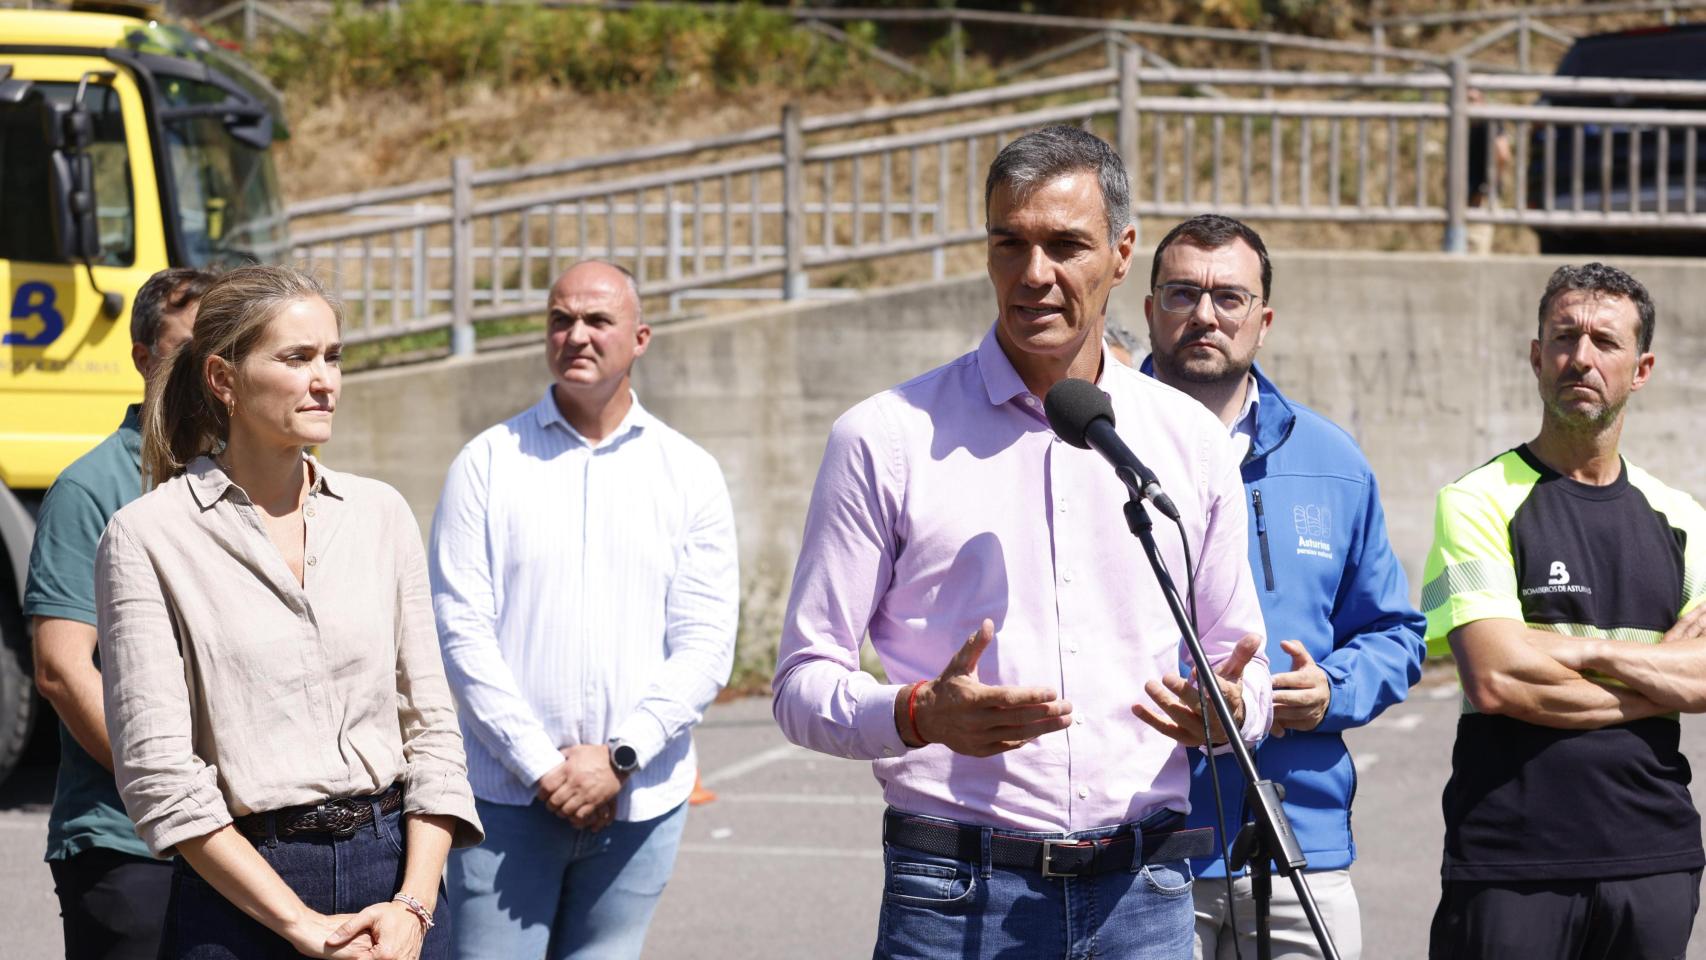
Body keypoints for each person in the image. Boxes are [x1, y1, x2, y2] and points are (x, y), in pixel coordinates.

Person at [772, 125, 1272, 960]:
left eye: (1065, 246)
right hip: (954, 894)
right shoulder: (886, 437)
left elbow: (1241, 665)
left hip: (1145, 893)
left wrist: (1228, 712)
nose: (1033, 273)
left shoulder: (1188, 441)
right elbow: (799, 683)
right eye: (1010, 243)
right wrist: (917, 714)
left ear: (1122, 254)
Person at [95, 265, 483, 960]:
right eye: (297, 358)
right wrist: (304, 926)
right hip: (242, 894)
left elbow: (431, 729)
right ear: (223, 379)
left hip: (397, 877)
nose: (324, 380)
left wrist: (414, 906)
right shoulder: (147, 535)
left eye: (332, 356)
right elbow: (161, 776)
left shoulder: (380, 513)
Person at [430, 260, 739, 959]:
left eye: (598, 320)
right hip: (507, 801)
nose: (576, 335)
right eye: (560, 319)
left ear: (640, 338)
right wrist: (543, 766)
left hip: (641, 802)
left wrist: (620, 757)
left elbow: (706, 642)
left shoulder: (689, 473)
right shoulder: (486, 463)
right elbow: (460, 633)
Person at [1139, 215, 1427, 960]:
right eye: (1182, 293)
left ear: (1262, 322)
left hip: (1300, 846)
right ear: (1149, 310)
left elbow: (1395, 633)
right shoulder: (1091, 447)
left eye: (1229, 297)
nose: (1205, 314)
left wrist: (1332, 690)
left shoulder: (1332, 459)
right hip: (1140, 853)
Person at [1422, 263, 1706, 959]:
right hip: (1510, 860)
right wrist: (1653, 674)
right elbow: (1498, 679)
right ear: (1536, 355)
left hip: (1655, 858)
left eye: (1605, 342)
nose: (1581, 357)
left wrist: (1576, 649)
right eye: (1564, 337)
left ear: (1640, 370)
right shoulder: (1476, 501)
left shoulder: (1683, 517)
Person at [26, 267, 213, 960]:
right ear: (142, 357)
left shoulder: (253, 477)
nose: (207, 368)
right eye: (186, 348)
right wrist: (165, 787)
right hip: (130, 846)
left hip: (248, 842)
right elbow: (61, 669)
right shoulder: (92, 487)